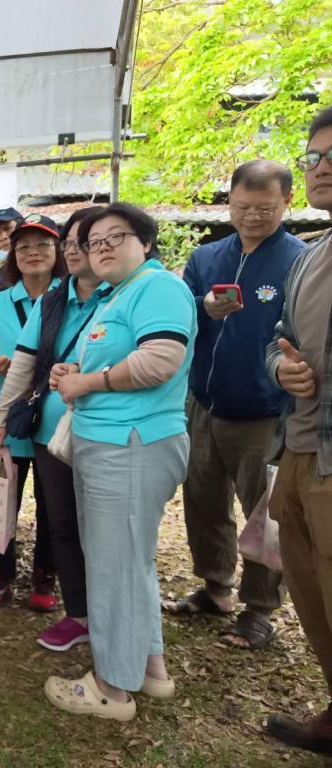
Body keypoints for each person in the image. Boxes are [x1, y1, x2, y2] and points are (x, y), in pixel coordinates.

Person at [47, 203, 196, 721]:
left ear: (146, 243)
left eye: (116, 236)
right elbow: (112, 359)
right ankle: (150, 667)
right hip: (114, 444)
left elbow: (160, 360)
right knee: (130, 561)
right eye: (94, 243)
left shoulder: (158, 287)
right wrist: (73, 370)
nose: (103, 247)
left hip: (131, 445)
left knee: (114, 567)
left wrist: (85, 382)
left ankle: (111, 688)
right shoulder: (118, 295)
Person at [170, 160, 302, 649]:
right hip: (204, 401)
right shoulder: (206, 257)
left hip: (266, 409)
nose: (252, 217)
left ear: (287, 202)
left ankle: (260, 609)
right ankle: (215, 587)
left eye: (265, 208)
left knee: (265, 512)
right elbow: (175, 317)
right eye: (243, 206)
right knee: (203, 499)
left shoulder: (300, 261)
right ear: (229, 201)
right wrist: (203, 307)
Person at [0, 207, 107, 650]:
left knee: (103, 528)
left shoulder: (124, 295)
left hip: (108, 432)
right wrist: (2, 418)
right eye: (72, 242)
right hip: (50, 433)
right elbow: (22, 365)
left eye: (84, 242)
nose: (76, 251)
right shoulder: (52, 302)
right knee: (61, 524)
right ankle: (78, 614)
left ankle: (111, 615)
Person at [264, 106, 332, 753]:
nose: (321, 167)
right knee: (310, 590)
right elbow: (276, 340)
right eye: (313, 156)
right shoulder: (310, 260)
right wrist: (281, 368)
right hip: (301, 449)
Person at [0, 213, 65, 612]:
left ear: (58, 251)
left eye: (43, 245)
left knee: (53, 502)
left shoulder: (74, 299)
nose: (32, 252)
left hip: (57, 419)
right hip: (7, 420)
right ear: (13, 253)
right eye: (23, 246)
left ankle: (45, 574)